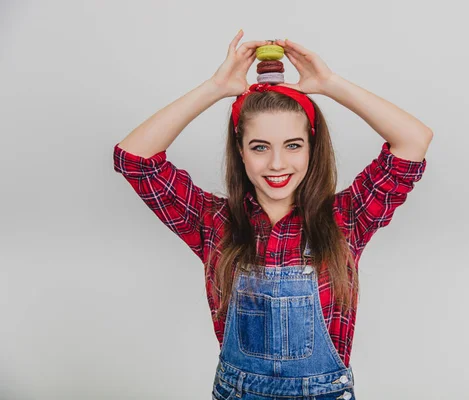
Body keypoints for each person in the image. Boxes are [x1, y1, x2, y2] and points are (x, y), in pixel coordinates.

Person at [113, 30, 432, 400]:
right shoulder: (213, 221)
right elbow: (134, 159)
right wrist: (217, 87)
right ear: (241, 150)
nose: (277, 163)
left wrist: (329, 84)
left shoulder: (346, 219)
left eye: (293, 145)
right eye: (260, 147)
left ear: (312, 147)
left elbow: (414, 140)